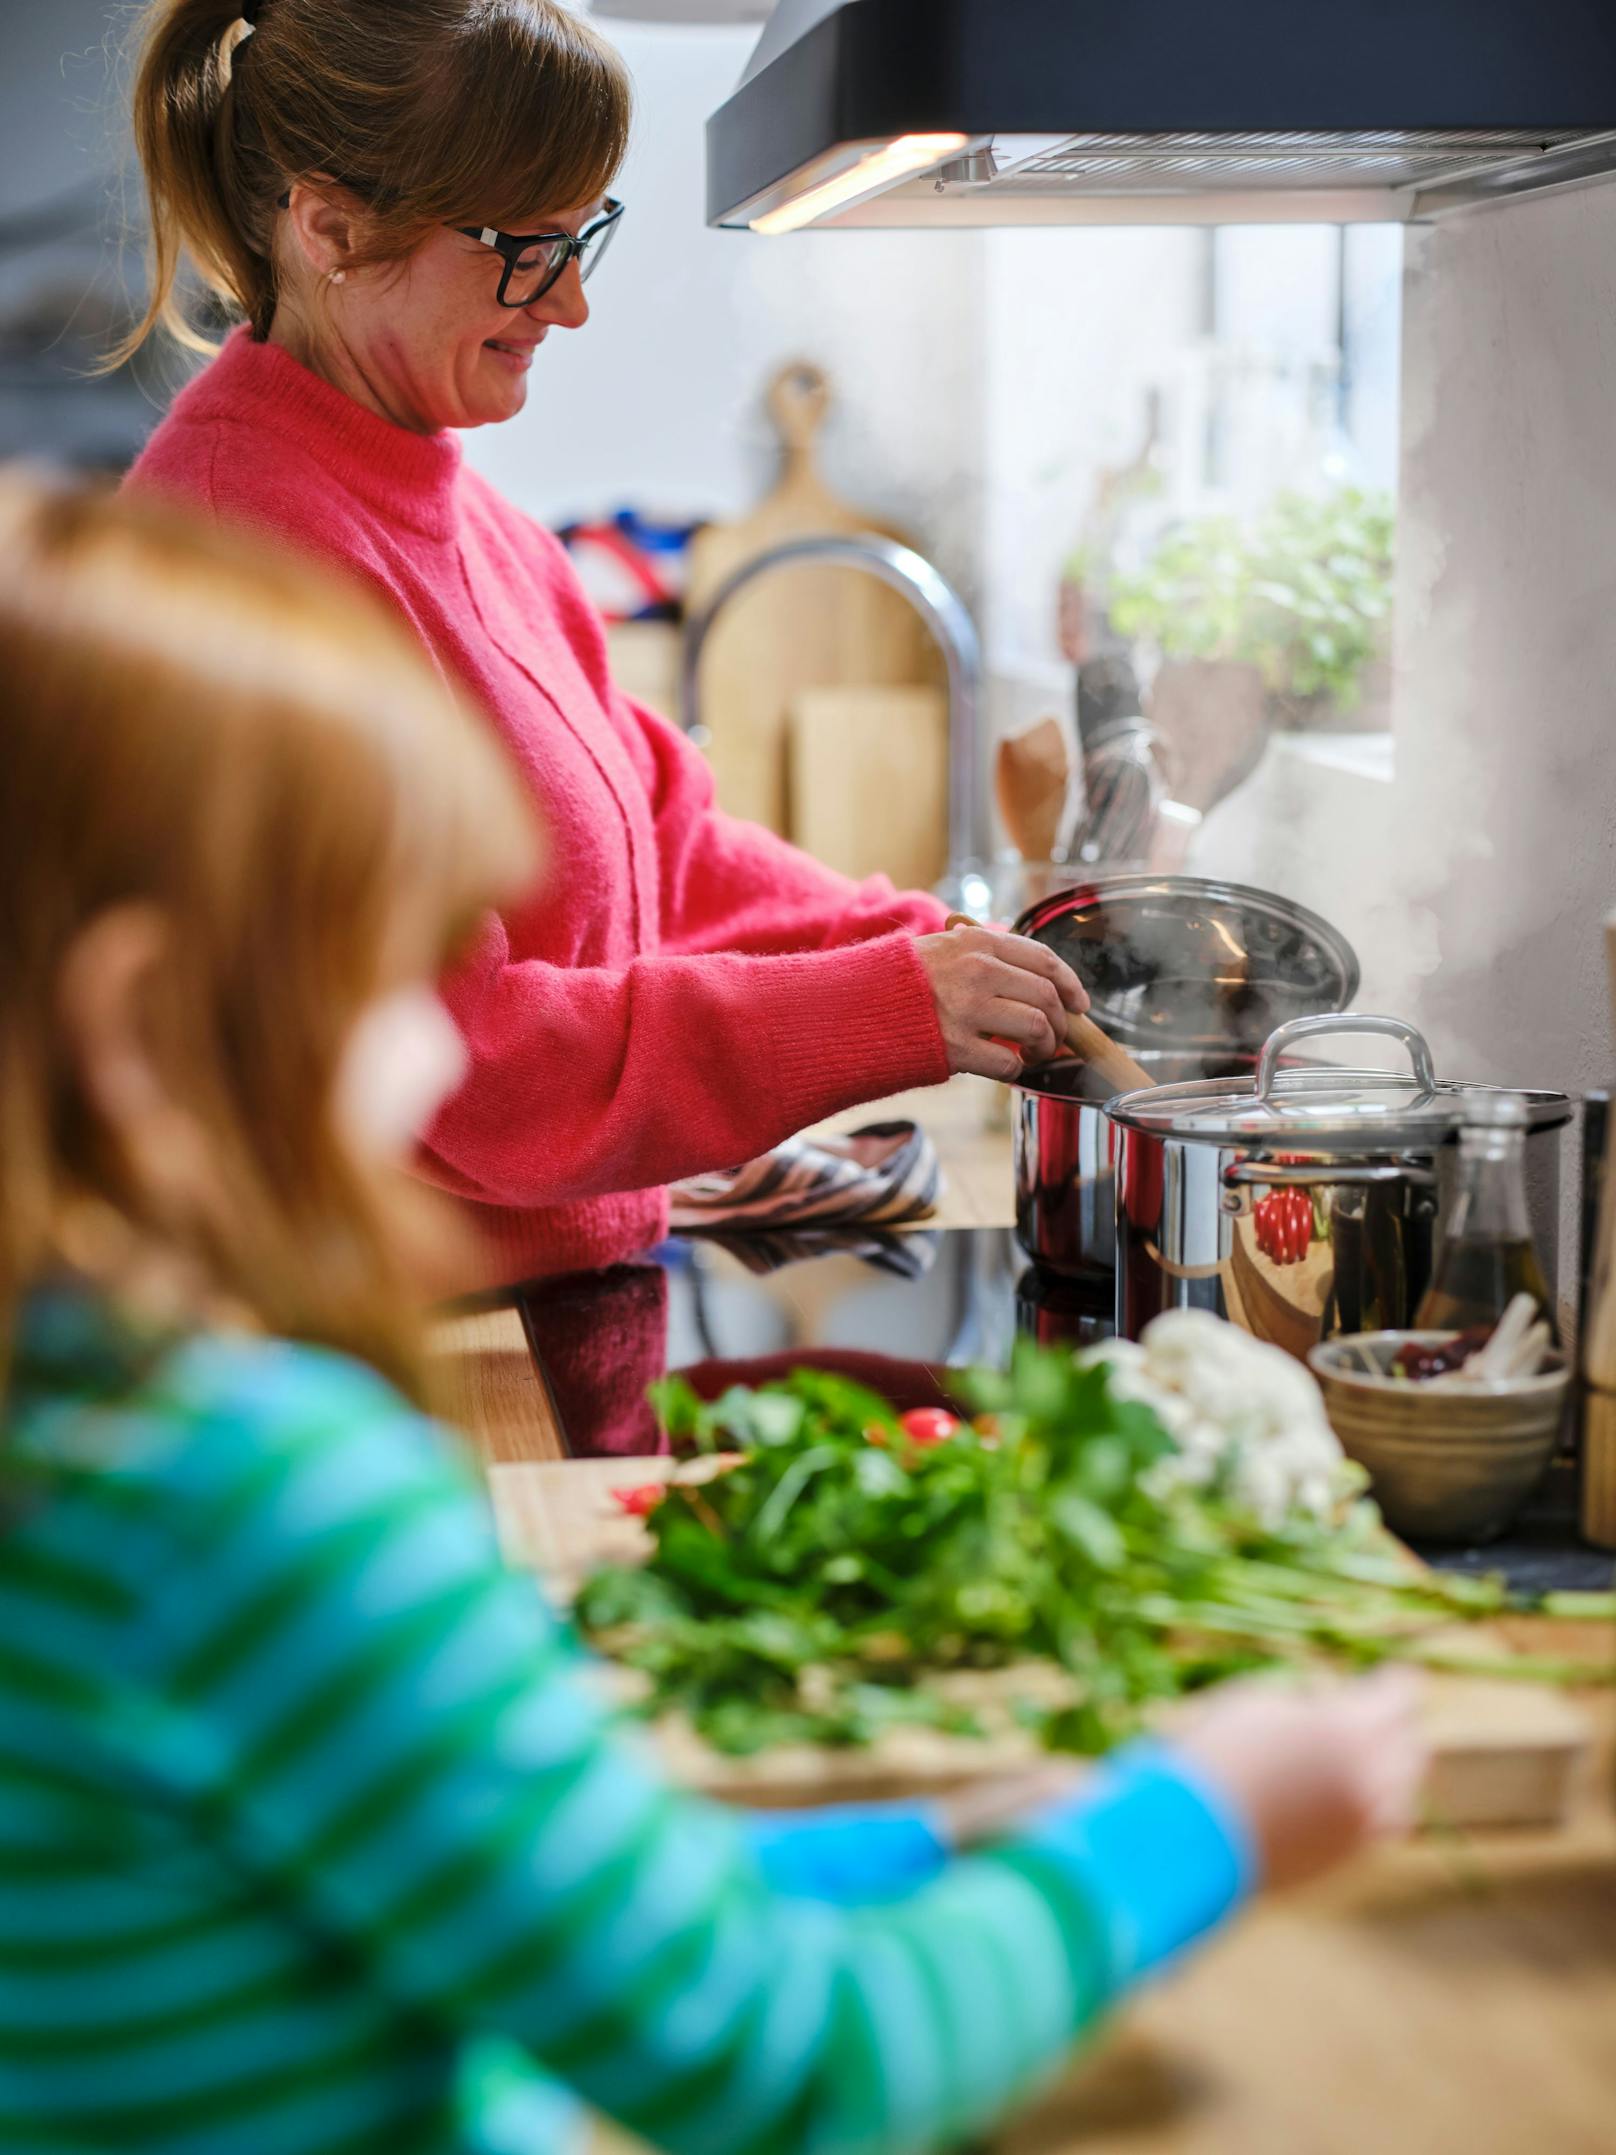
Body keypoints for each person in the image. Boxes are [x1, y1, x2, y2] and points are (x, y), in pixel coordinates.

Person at [0, 470, 1426, 2154]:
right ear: (144, 1025)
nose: (444, 1049)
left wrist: (931, 1844)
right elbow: (796, 2068)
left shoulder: (74, 1437)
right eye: (387, 976)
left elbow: (500, 1882)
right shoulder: (255, 1500)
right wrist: (1208, 1823)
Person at [117, 0, 1089, 1290]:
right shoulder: (250, 564)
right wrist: (892, 1006)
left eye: (584, 236)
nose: (570, 302)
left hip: (537, 1278)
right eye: (525, 248)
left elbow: (666, 841)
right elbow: (461, 1059)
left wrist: (929, 951)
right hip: (377, 1346)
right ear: (332, 228)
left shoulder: (467, 517)